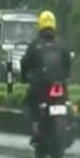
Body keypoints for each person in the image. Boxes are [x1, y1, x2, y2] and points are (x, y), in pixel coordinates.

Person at [20, 10, 71, 145]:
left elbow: (25, 63)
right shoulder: (61, 44)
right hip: (60, 84)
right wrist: (65, 77)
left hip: (40, 85)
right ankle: (68, 124)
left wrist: (24, 77)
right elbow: (68, 64)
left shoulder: (35, 45)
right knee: (67, 100)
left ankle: (36, 126)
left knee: (27, 104)